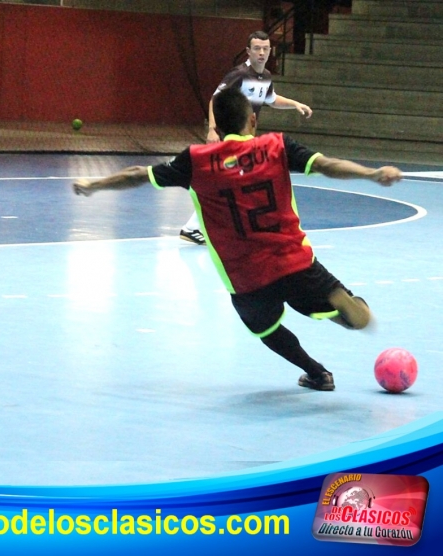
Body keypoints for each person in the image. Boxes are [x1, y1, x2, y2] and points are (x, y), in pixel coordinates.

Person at [73, 87, 402, 391]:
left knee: (267, 330)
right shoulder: (276, 146)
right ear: (253, 120)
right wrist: (371, 174)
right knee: (346, 309)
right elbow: (327, 166)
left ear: (216, 126)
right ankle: (340, 306)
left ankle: (317, 373)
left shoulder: (197, 160)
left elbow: (136, 176)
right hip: (295, 262)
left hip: (247, 278)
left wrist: (94, 185)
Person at [180, 30, 313, 245]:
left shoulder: (266, 76)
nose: (262, 52)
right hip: (232, 137)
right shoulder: (239, 74)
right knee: (230, 181)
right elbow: (216, 99)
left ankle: (202, 227)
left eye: (265, 48)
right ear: (248, 51)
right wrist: (212, 129)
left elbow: (271, 99)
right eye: (257, 48)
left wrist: (295, 104)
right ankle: (194, 227)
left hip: (247, 139)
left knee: (234, 182)